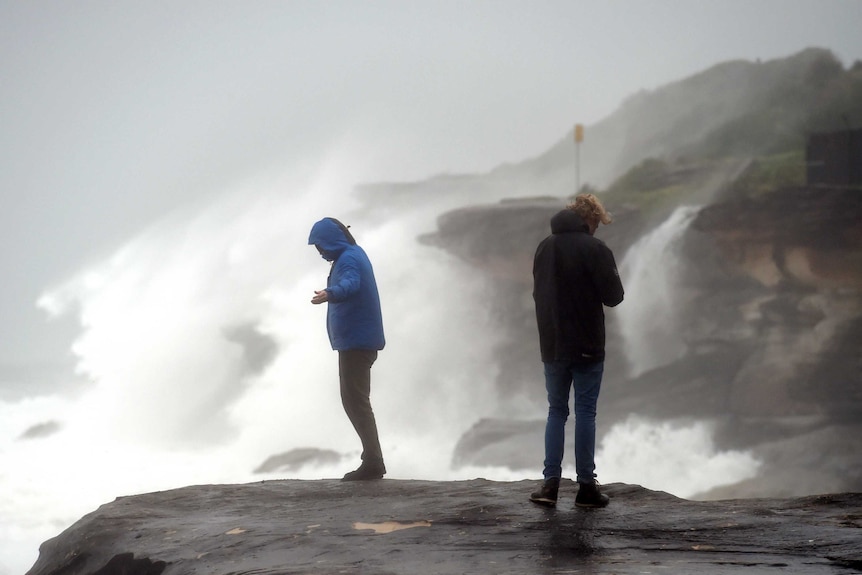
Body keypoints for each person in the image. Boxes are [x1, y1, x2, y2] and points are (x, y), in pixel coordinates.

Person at [529, 194, 624, 508]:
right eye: (597, 223)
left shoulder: (544, 247)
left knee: (556, 412)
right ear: (590, 219)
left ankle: (549, 486)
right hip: (586, 344)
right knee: (585, 413)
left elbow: (537, 292)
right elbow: (614, 296)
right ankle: (586, 487)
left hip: (552, 343)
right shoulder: (595, 249)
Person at [308, 217, 386, 481]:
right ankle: (372, 459)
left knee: (356, 401)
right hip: (357, 340)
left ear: (331, 240)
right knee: (354, 401)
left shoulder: (349, 259)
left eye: (320, 246)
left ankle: (374, 462)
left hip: (357, 341)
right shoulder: (352, 253)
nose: (320, 252)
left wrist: (331, 293)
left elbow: (351, 283)